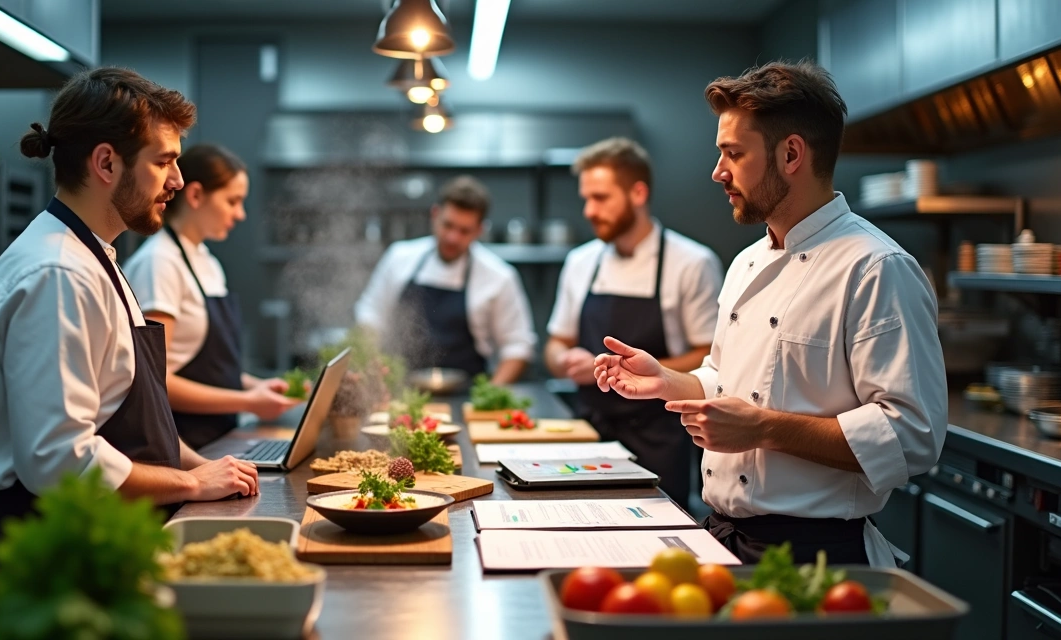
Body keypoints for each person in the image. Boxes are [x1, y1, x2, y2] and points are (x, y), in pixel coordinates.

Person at [592, 61, 947, 566]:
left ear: (792, 153)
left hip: (819, 557)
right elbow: (728, 382)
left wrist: (764, 429)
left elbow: (913, 435)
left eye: (733, 153)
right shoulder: (746, 262)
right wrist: (668, 381)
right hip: (725, 538)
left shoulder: (876, 267)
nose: (718, 172)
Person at [0, 68, 261, 637]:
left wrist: (197, 463)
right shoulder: (56, 273)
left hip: (97, 555)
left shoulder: (96, 257)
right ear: (106, 163)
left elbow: (121, 411)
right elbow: (60, 460)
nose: (177, 179)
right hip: (54, 578)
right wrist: (192, 485)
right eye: (164, 160)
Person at [545, 137, 723, 507]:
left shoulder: (691, 262)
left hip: (657, 436)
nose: (589, 210)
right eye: (586, 198)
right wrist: (565, 360)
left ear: (638, 192)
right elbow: (555, 343)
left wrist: (637, 375)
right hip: (588, 433)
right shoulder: (581, 262)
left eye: (601, 197)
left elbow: (710, 356)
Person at [125, 143, 300, 449]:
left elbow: (210, 369)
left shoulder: (207, 261)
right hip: (180, 442)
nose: (241, 214)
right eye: (233, 201)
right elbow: (153, 378)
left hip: (218, 438)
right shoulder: (159, 263)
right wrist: (248, 401)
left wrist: (256, 387)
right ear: (195, 195)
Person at [354, 175, 537, 384]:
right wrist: (373, 363)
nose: (453, 237)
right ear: (435, 214)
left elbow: (518, 346)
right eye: (448, 225)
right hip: (399, 389)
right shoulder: (399, 258)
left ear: (479, 230)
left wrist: (490, 394)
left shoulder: (499, 277)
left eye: (464, 231)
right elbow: (371, 315)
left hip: (466, 395)